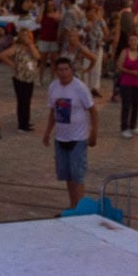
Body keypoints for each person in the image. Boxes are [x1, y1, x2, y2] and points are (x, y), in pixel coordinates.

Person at [47, 55, 96, 207]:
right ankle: (73, 205)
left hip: (78, 137)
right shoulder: (53, 87)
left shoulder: (80, 88)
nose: (63, 73)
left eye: (66, 69)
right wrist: (48, 131)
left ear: (71, 70)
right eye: (60, 70)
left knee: (78, 175)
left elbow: (93, 111)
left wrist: (94, 133)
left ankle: (80, 208)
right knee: (67, 174)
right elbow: (53, 111)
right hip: (61, 137)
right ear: (55, 71)